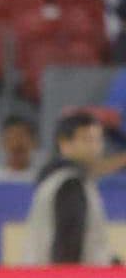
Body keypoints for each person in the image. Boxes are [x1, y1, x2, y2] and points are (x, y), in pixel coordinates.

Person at [28, 110, 126, 264]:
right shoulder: (70, 184)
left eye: (98, 140)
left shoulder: (69, 179)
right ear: (64, 143)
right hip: (67, 276)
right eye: (87, 139)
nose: (95, 147)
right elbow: (68, 246)